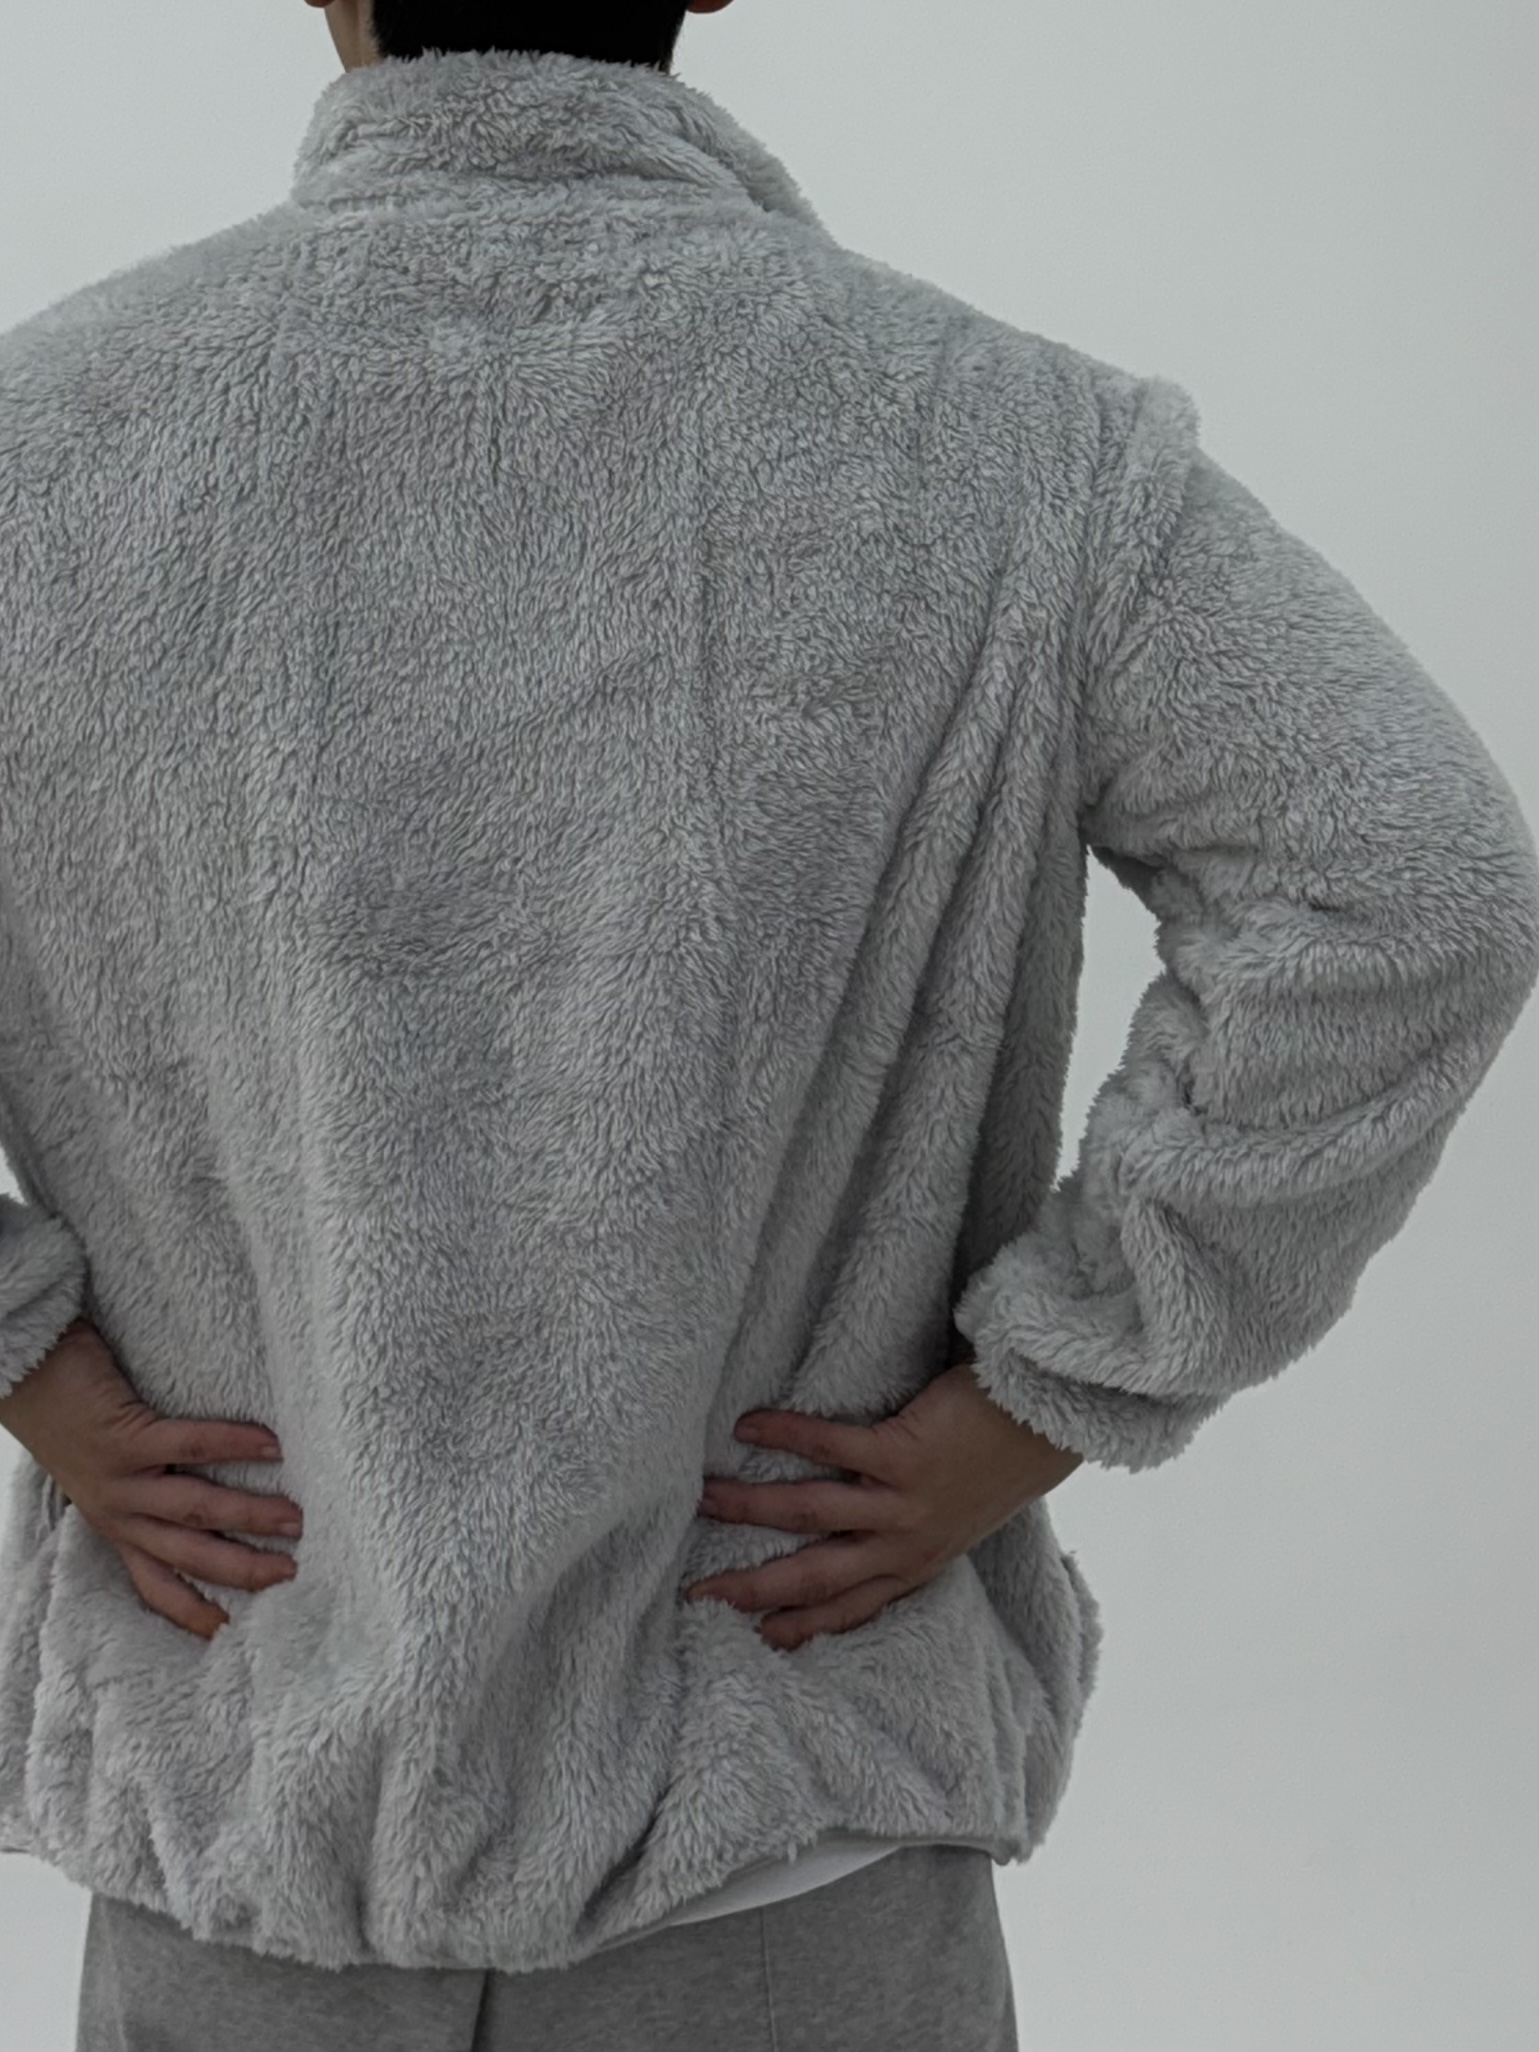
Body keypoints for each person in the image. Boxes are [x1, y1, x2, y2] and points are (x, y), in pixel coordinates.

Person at [0, 3, 1535, 2048]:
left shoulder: (47, 447)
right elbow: (1407, 877)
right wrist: (1046, 1394)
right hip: (783, 1821)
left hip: (247, 1804)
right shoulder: (1008, 446)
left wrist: (34, 1364)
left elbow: (1413, 890)